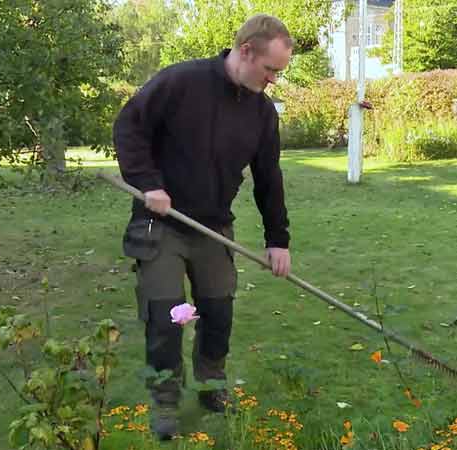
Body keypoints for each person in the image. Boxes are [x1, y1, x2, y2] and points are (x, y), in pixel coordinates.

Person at [113, 14, 293, 440]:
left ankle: (212, 385)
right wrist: (149, 185)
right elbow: (129, 127)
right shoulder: (181, 82)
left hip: (214, 228)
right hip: (162, 225)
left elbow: (269, 176)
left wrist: (277, 240)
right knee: (166, 317)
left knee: (218, 312)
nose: (273, 80)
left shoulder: (262, 112)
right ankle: (165, 402)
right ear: (246, 50)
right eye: (271, 70)